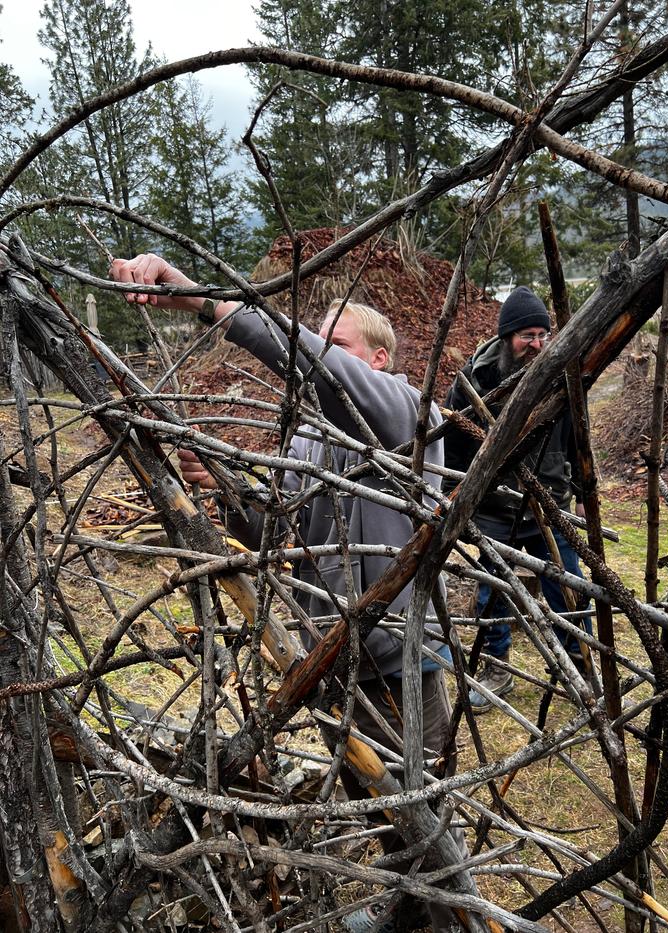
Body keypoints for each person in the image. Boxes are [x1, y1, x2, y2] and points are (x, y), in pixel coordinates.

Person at [111, 255, 461, 932]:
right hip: (331, 660)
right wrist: (218, 480)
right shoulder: (308, 437)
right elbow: (279, 530)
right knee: (375, 805)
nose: (322, 355)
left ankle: (445, 917)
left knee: (423, 819)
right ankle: (409, 910)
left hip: (397, 662)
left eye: (338, 343)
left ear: (380, 360)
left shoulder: (410, 418)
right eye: (319, 340)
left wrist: (206, 302)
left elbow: (322, 371)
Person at [443, 286, 591, 714]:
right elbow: (454, 442)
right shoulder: (475, 377)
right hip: (493, 508)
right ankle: (496, 671)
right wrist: (453, 493)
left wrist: (580, 494)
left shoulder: (559, 373)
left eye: (543, 334)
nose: (537, 345)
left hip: (547, 503)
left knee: (567, 590)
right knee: (492, 594)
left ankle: (578, 673)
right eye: (528, 335)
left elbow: (579, 438)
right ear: (507, 336)